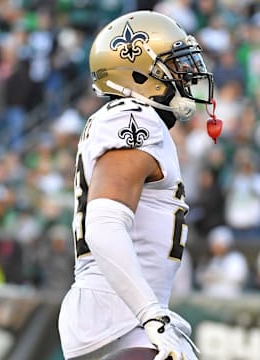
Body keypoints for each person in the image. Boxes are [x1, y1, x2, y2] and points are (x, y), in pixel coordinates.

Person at [58, 10, 216, 360]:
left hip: (123, 319)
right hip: (120, 321)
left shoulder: (137, 121)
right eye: (175, 64)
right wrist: (152, 316)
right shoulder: (134, 119)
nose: (187, 73)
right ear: (139, 72)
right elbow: (105, 224)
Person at [195, 226, 249, 298]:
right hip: (208, 298)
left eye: (219, 245)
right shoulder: (206, 259)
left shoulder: (236, 258)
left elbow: (238, 278)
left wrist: (217, 276)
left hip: (231, 299)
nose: (216, 247)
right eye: (214, 244)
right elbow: (199, 278)